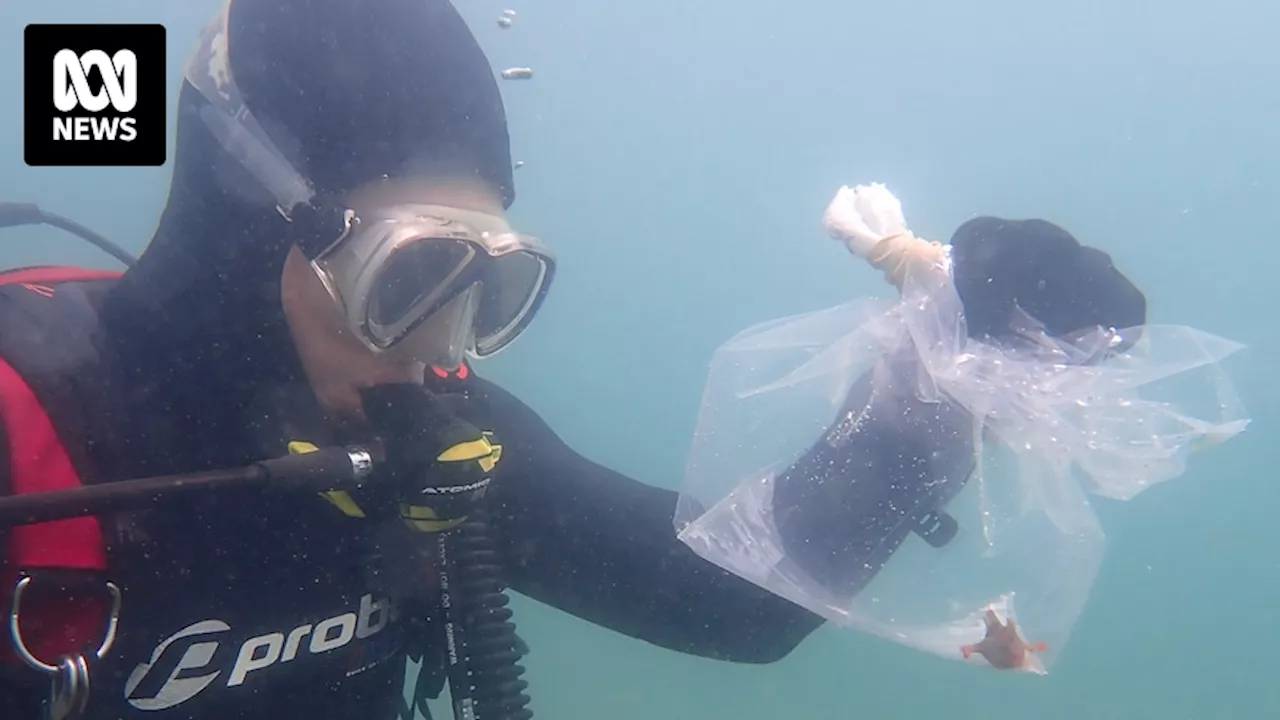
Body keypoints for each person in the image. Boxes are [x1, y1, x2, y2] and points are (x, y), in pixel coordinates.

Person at [0, 1, 1151, 719]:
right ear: (248, 226)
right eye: (409, 278)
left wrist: (931, 386)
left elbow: (733, 608)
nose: (439, 349)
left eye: (487, 288)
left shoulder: (435, 441)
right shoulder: (24, 434)